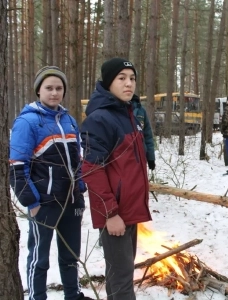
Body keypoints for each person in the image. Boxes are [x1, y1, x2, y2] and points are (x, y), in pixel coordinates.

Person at [9, 66, 92, 300]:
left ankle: (72, 295)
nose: (54, 93)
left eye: (59, 88)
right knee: (39, 257)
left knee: (70, 255)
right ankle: (37, 297)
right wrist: (31, 201)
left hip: (71, 200)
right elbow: (16, 167)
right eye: (49, 88)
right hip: (44, 202)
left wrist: (81, 188)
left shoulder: (69, 120)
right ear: (38, 91)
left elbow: (78, 159)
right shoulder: (27, 122)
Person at [80, 57, 152, 299]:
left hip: (129, 211)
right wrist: (110, 213)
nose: (128, 84)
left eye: (132, 78)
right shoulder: (100, 119)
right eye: (121, 78)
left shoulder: (128, 113)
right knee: (122, 281)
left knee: (121, 275)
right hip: (116, 214)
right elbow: (91, 169)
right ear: (108, 83)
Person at [132, 94, 156, 171]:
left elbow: (148, 136)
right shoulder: (117, 109)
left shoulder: (141, 111)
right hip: (123, 160)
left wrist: (151, 158)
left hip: (141, 158)